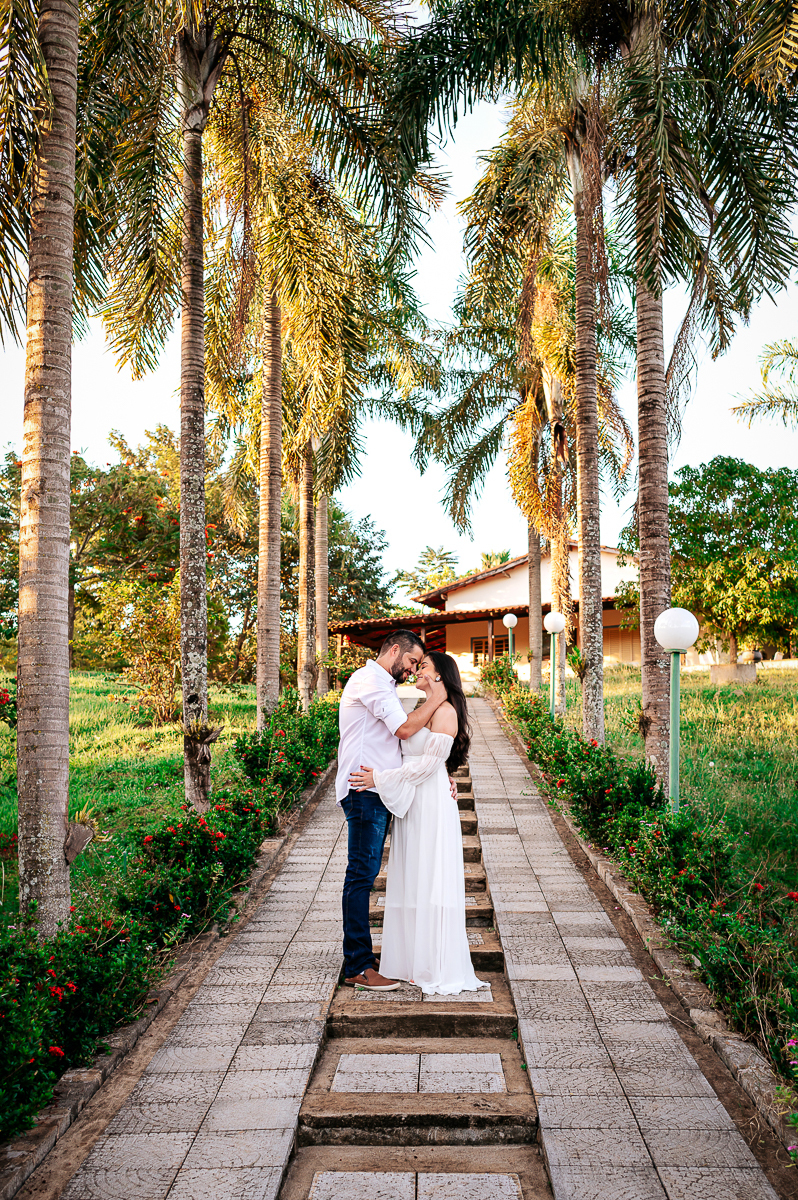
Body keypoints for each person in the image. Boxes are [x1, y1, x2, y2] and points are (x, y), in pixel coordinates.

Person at [349, 651, 488, 997]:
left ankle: (433, 962)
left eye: (423, 665)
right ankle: (409, 961)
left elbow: (428, 765)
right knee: (410, 877)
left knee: (430, 876)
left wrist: (379, 778)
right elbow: (407, 749)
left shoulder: (446, 712)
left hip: (430, 803)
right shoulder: (421, 709)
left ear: (440, 676)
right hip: (411, 803)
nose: (416, 669)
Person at [336, 630, 449, 991]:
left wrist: (441, 774)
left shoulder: (383, 685)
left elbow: (411, 744)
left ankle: (362, 960)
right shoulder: (370, 680)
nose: (413, 669)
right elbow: (402, 730)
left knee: (364, 875)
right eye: (413, 661)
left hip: (377, 788)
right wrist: (437, 699)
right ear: (395, 650)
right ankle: (358, 965)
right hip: (363, 790)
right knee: (361, 876)